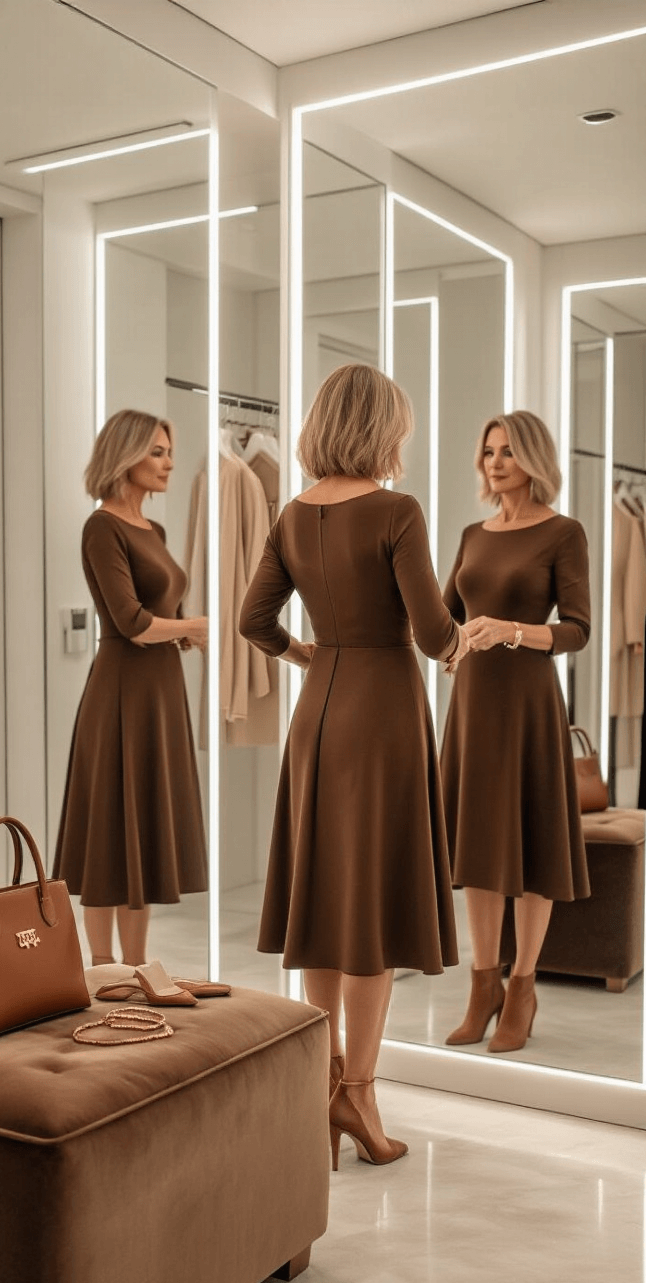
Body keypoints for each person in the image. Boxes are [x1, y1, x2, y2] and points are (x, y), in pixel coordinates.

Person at [239, 364, 468, 1168]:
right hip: (384, 713)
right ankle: (358, 1096)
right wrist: (481, 633)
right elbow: (435, 634)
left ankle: (325, 1083)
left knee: (330, 902)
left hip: (320, 712)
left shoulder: (292, 515)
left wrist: (309, 654)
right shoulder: (397, 510)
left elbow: (251, 619)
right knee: (369, 911)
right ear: (383, 429)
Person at [441, 410, 590, 1053]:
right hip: (473, 704)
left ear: (533, 458)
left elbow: (578, 628)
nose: (495, 462)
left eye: (507, 451)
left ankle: (522, 987)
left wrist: (512, 631)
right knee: (476, 850)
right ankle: (482, 984)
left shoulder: (564, 532)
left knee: (529, 851)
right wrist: (445, 647)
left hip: (529, 704)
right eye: (487, 451)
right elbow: (444, 618)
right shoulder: (474, 534)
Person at [53, 409, 208, 969]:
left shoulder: (156, 531)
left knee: (141, 833)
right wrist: (194, 627)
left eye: (170, 451)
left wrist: (184, 632)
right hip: (121, 693)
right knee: (111, 838)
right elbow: (132, 622)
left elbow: (161, 610)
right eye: (158, 452)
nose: (169, 463)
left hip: (161, 690)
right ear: (126, 457)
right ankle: (102, 970)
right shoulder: (102, 527)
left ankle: (137, 969)